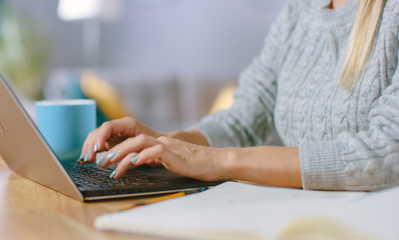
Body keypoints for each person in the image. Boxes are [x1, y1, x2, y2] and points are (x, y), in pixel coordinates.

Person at [78, 0, 399, 191]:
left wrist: (219, 161)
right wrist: (166, 144)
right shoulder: (301, 9)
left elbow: (387, 153)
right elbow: (245, 116)